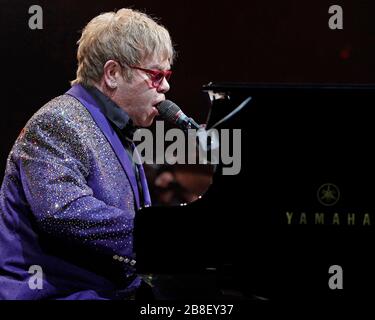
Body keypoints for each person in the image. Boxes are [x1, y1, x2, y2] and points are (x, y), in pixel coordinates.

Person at [0, 8, 174, 300]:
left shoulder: (116, 126)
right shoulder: (57, 121)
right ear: (113, 74)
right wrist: (160, 238)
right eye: (156, 75)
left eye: (167, 75)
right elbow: (63, 211)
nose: (166, 86)